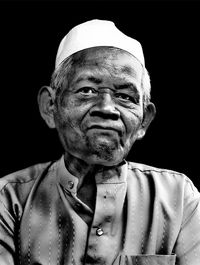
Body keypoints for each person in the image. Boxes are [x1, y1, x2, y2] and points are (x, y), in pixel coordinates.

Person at [0, 19, 200, 265]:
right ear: (50, 106)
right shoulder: (9, 199)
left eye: (125, 96)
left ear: (144, 120)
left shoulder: (178, 198)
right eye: (87, 90)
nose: (107, 108)